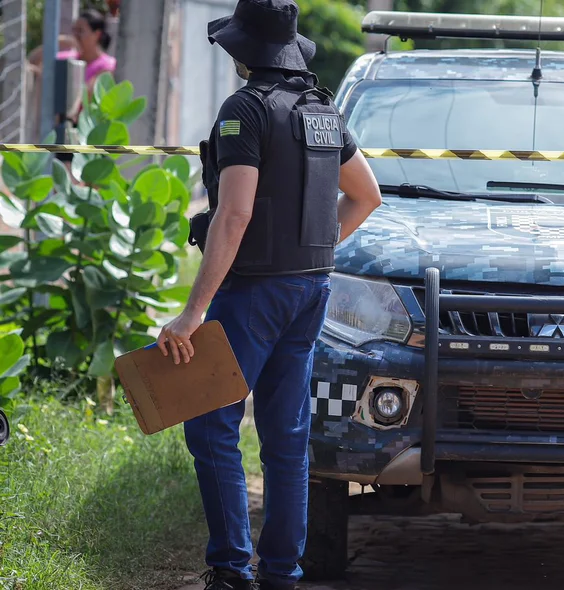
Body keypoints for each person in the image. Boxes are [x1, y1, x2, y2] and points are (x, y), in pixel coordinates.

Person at [155, 1, 382, 589]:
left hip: (254, 293)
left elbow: (233, 215)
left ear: (244, 49)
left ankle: (231, 571)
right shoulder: (323, 111)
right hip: (312, 289)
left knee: (210, 426)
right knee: (285, 436)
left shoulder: (245, 110)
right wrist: (315, 246)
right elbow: (368, 196)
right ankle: (282, 573)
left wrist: (192, 313)